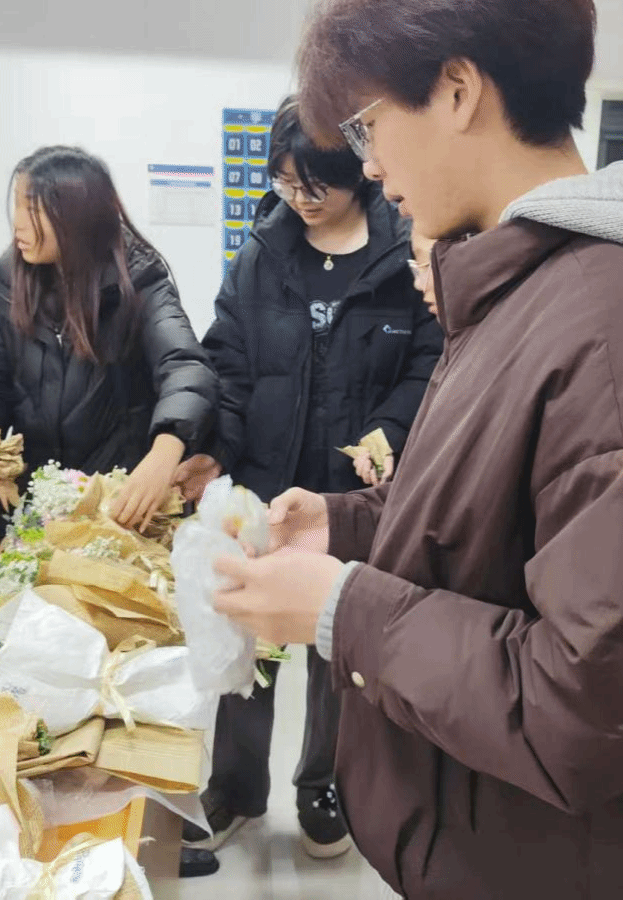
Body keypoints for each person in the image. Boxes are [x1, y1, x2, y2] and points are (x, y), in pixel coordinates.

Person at [208, 0, 623, 899]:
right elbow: (495, 523)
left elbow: (593, 703)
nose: (369, 164)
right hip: (483, 834)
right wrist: (346, 525)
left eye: (367, 124)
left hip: (543, 859)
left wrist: (342, 607)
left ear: (456, 89)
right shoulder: (530, 296)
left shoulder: (622, 337)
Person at [175, 96, 442, 860]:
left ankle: (323, 783)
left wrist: (390, 430)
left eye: (314, 184)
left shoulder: (403, 252)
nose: (299, 199)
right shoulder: (263, 253)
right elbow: (226, 361)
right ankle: (235, 786)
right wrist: (210, 447)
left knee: (336, 648)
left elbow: (431, 360)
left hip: (351, 498)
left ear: (356, 171)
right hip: (265, 486)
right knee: (250, 637)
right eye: (286, 182)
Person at [0, 145, 218, 531]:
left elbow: (185, 367)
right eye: (16, 205)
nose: (18, 224)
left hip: (121, 504)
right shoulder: (9, 282)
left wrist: (166, 449)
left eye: (33, 209)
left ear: (76, 216)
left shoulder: (137, 278)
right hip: (40, 504)